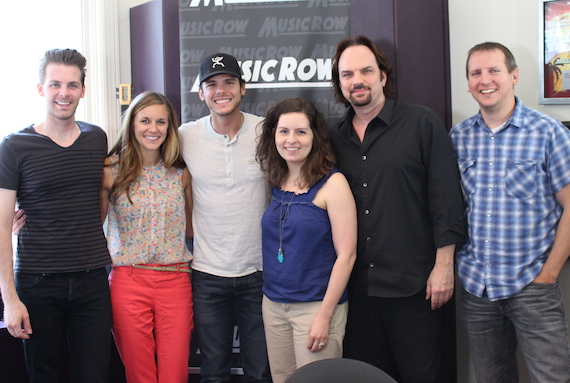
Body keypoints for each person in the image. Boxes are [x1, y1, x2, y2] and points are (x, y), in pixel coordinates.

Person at [329, 35, 467, 383]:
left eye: (366, 71)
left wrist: (444, 266)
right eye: (347, 74)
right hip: (357, 291)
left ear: (383, 76)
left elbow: (446, 197)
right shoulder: (333, 136)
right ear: (340, 83)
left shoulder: (422, 123)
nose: (357, 80)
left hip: (414, 289)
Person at [450, 42, 570, 383]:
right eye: (476, 73)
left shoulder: (548, 133)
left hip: (533, 285)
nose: (485, 80)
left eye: (494, 71)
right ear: (468, 82)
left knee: (553, 378)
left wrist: (548, 275)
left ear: (514, 76)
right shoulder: (458, 138)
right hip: (478, 289)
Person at [0, 48, 112, 382]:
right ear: (40, 88)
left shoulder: (97, 138)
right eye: (55, 84)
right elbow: (2, 226)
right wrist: (10, 299)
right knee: (43, 376)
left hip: (92, 280)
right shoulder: (14, 147)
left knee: (95, 375)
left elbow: (98, 202)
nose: (64, 93)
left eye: (72, 85)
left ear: (82, 89)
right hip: (36, 283)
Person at [178, 53, 271, 383]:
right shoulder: (184, 136)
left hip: (259, 272)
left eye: (229, 82)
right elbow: (139, 161)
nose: (221, 91)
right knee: (213, 371)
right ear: (201, 93)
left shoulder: (266, 131)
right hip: (207, 274)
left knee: (260, 371)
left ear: (243, 88)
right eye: (211, 84)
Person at [256, 98, 357, 383]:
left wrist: (324, 316)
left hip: (316, 308)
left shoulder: (333, 183)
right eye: (284, 131)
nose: (292, 140)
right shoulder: (276, 180)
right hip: (274, 306)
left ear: (315, 136)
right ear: (273, 135)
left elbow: (347, 255)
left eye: (301, 131)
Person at [100, 91, 194, 383]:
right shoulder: (110, 170)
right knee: (140, 375)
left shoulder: (181, 173)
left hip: (175, 280)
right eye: (145, 120)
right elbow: (89, 222)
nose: (153, 129)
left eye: (161, 122)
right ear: (131, 124)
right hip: (128, 281)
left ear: (170, 128)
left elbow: (191, 228)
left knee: (174, 374)